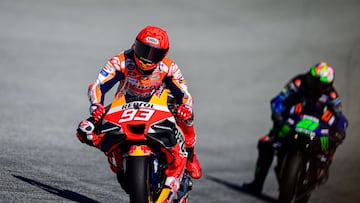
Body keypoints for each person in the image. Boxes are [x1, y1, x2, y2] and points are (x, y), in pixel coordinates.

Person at [75, 25, 202, 198]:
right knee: (84, 130)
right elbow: (98, 86)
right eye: (143, 50)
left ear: (163, 55)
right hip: (125, 102)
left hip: (160, 102)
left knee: (187, 114)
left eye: (154, 54)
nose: (146, 59)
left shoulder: (169, 67)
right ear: (135, 45)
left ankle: (190, 154)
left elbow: (185, 94)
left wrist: (185, 107)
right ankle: (118, 163)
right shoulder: (120, 61)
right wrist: (96, 106)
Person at [243, 62, 348, 194]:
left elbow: (340, 118)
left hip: (318, 128)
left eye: (320, 84)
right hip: (292, 121)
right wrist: (277, 114)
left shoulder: (332, 96)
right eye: (312, 79)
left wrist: (340, 132)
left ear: (328, 85)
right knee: (265, 143)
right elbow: (278, 99)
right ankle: (257, 184)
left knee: (332, 141)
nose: (315, 85)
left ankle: (324, 164)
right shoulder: (299, 82)